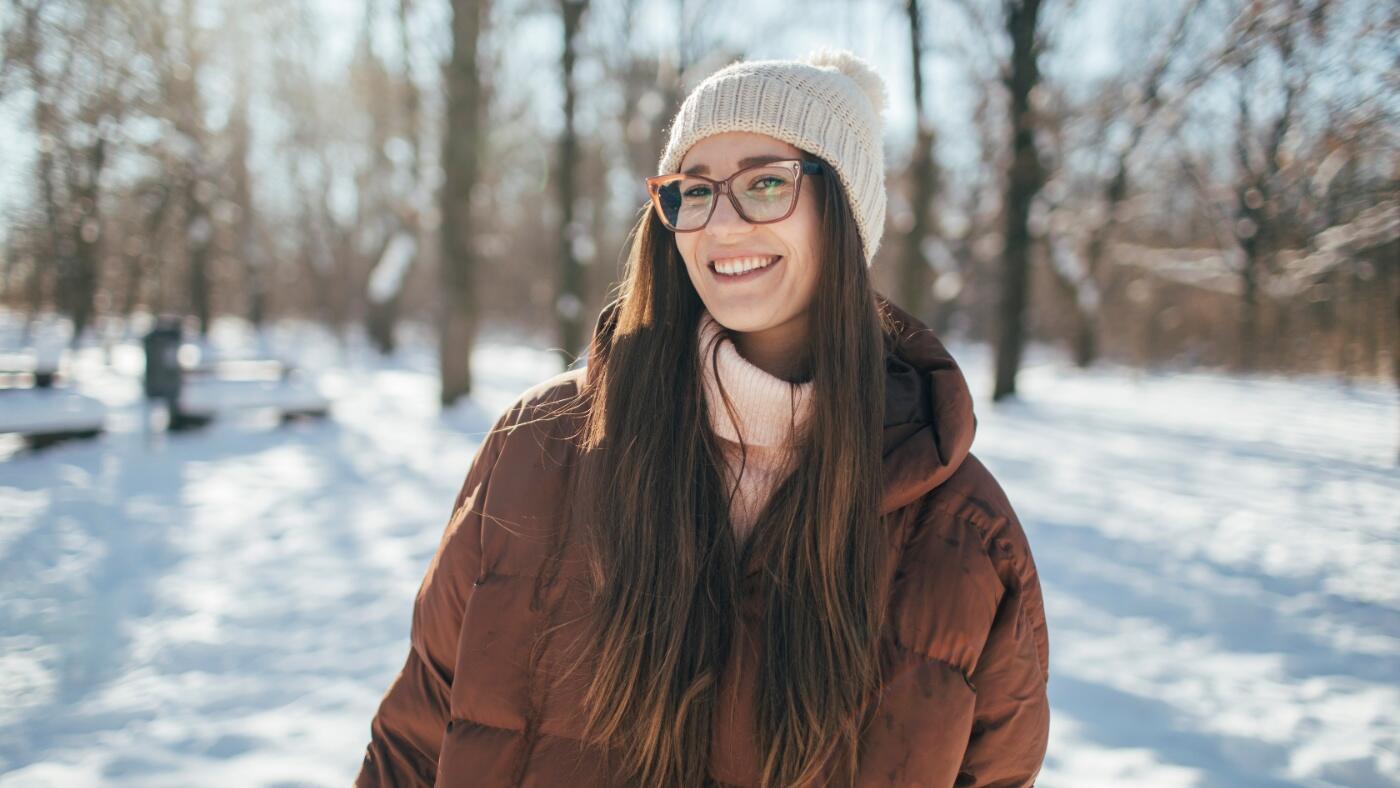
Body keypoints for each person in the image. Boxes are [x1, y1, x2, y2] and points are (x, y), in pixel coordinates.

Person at [356, 48, 1050, 787]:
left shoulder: (967, 534)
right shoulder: (536, 449)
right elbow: (414, 740)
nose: (722, 223)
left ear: (845, 211)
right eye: (695, 190)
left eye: (767, 182)